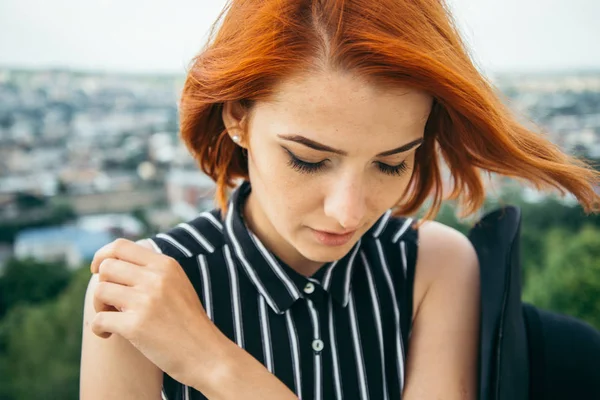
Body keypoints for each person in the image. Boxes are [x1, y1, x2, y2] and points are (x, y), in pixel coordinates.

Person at [79, 0, 600, 399]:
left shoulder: (433, 268)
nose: (349, 211)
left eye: (391, 163)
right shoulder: (136, 296)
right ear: (237, 116)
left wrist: (212, 365)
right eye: (308, 159)